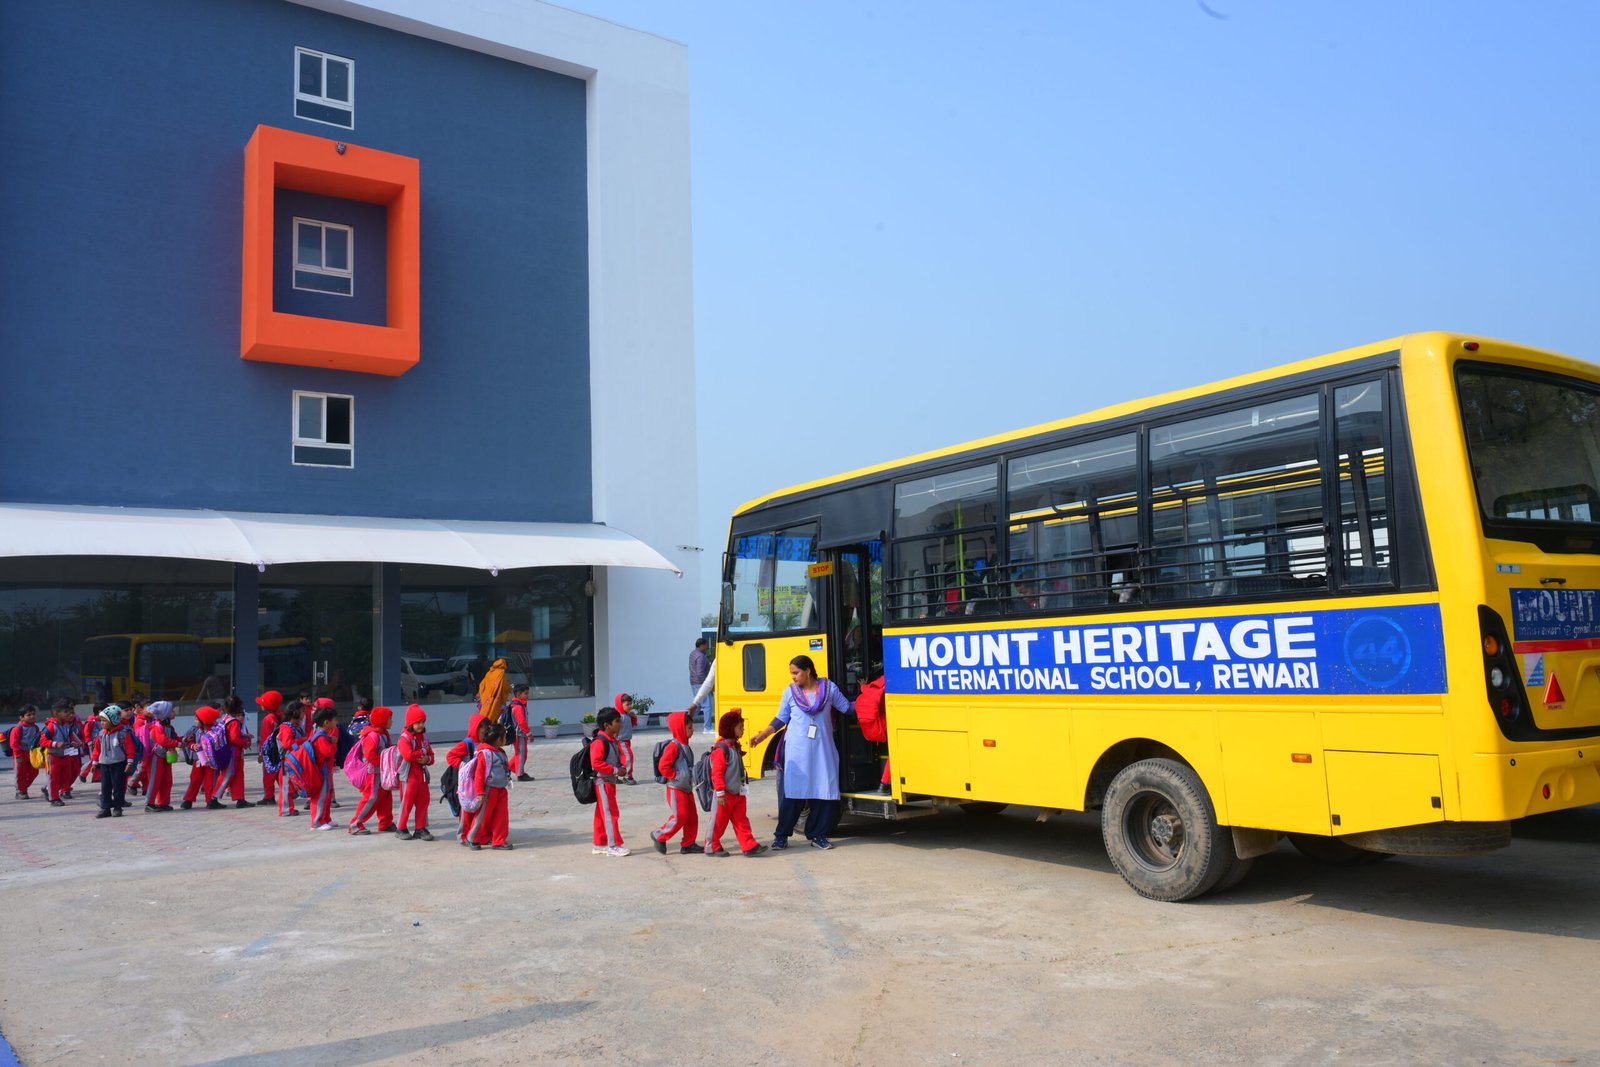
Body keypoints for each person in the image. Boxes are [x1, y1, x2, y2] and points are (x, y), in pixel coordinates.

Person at [749, 654, 854, 850]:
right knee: (793, 793)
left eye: (796, 673)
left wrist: (872, 699)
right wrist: (762, 735)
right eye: (792, 674)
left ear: (808, 671)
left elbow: (846, 708)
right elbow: (780, 718)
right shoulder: (790, 692)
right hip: (798, 750)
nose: (793, 677)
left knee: (824, 791)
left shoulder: (829, 688)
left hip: (823, 749)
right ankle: (781, 836)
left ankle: (818, 835)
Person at [707, 711, 765, 858]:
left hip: (738, 793)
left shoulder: (734, 747)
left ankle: (749, 845)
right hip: (724, 795)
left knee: (741, 820)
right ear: (730, 728)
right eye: (740, 726)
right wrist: (719, 792)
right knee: (719, 822)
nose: (743, 729)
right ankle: (712, 845)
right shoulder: (721, 749)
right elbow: (717, 773)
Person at [649, 710, 701, 855]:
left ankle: (688, 843)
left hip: (685, 787)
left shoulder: (685, 745)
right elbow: (663, 766)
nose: (693, 730)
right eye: (689, 727)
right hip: (676, 788)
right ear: (680, 728)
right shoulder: (674, 746)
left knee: (692, 817)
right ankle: (660, 835)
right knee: (681, 816)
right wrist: (676, 776)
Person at [347, 705, 395, 836]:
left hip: (382, 772)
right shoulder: (373, 735)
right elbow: (370, 755)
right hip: (373, 773)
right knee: (371, 797)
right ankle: (355, 824)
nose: (392, 721)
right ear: (382, 720)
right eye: (390, 718)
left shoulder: (383, 733)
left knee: (385, 797)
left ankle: (386, 823)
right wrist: (386, 762)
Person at [467, 721, 512, 851]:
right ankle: (472, 837)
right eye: (504, 736)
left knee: (502, 816)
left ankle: (499, 840)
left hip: (501, 789)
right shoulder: (485, 753)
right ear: (499, 739)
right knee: (483, 816)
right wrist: (480, 792)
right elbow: (479, 774)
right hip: (489, 790)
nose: (505, 739)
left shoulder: (500, 752)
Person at [590, 708, 628, 856]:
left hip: (608, 782)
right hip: (603, 782)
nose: (620, 724)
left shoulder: (611, 740)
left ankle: (599, 843)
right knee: (610, 813)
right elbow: (596, 763)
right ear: (607, 725)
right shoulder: (600, 742)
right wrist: (615, 770)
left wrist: (620, 767)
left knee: (601, 813)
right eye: (617, 722)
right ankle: (613, 845)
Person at [89, 704, 136, 818]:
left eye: (104, 721)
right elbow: (97, 750)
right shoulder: (101, 734)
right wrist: (94, 763)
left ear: (114, 720)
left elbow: (130, 749)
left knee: (118, 787)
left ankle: (118, 807)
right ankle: (105, 808)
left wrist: (130, 763)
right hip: (104, 764)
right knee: (105, 787)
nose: (102, 723)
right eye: (101, 721)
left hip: (118, 764)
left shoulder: (123, 733)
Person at [396, 704, 434, 841]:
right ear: (410, 723)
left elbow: (432, 756)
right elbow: (408, 756)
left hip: (421, 774)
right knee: (407, 801)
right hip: (408, 775)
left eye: (423, 722)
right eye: (418, 722)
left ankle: (420, 828)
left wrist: (427, 759)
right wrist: (423, 753)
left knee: (424, 800)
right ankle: (401, 827)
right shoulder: (404, 738)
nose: (421, 725)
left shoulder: (423, 738)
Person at [306, 706, 341, 830]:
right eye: (334, 720)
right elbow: (328, 752)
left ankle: (326, 818)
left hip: (325, 771)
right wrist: (333, 743)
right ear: (326, 722)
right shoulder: (321, 737)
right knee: (320, 797)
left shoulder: (323, 735)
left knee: (326, 795)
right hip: (321, 771)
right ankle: (316, 822)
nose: (336, 722)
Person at [143, 702, 180, 812]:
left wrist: (183, 740)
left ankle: (163, 802)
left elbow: (174, 737)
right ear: (165, 713)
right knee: (155, 780)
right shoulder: (157, 726)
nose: (174, 712)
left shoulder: (168, 725)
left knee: (167, 780)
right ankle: (149, 803)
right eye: (172, 710)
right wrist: (177, 744)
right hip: (156, 756)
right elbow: (163, 740)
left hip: (165, 756)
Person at [41, 701, 80, 806]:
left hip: (65, 755)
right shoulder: (51, 726)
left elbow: (68, 738)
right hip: (53, 756)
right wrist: (55, 744)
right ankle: (54, 798)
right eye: (66, 712)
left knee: (65, 777)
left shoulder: (67, 725)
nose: (69, 714)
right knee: (54, 778)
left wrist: (73, 743)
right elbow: (42, 741)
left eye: (70, 711)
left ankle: (51, 791)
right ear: (56, 713)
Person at [221, 695, 256, 808]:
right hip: (234, 753)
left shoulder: (226, 718)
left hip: (230, 752)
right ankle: (213, 798)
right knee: (228, 776)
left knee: (237, 776)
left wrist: (244, 735)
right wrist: (245, 743)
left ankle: (240, 798)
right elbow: (234, 738)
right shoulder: (235, 722)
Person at [256, 690, 285, 808]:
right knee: (279, 773)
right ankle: (288, 792)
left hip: (270, 752)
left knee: (268, 774)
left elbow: (264, 738)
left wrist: (261, 754)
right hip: (280, 750)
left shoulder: (268, 719)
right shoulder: (281, 716)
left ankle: (269, 796)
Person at [9, 704, 42, 800]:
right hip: (20, 754)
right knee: (21, 774)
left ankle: (22, 788)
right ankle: (21, 791)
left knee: (34, 772)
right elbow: (14, 744)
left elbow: (38, 740)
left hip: (32, 754)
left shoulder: (35, 728)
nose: (32, 716)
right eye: (28, 715)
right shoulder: (17, 729)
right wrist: (18, 756)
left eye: (33, 714)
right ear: (21, 717)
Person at [507, 684, 533, 782]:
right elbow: (521, 722)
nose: (527, 696)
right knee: (521, 754)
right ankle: (520, 774)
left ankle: (508, 769)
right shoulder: (518, 707)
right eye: (526, 693)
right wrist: (529, 734)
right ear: (518, 694)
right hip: (519, 735)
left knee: (520, 754)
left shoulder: (519, 705)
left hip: (519, 734)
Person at [476, 657, 510, 728]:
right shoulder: (501, 674)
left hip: (485, 700)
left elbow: (482, 685)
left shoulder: (489, 672)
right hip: (495, 700)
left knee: (484, 718)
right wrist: (509, 687)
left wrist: (483, 695)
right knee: (492, 719)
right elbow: (504, 688)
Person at [689, 638, 713, 734]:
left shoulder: (692, 654)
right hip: (701, 683)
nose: (707, 647)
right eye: (706, 645)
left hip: (693, 683)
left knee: (697, 706)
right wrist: (707, 685)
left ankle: (685, 722)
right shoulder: (701, 657)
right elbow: (700, 673)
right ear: (702, 645)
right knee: (707, 706)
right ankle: (707, 728)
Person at [614, 693, 638, 783]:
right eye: (627, 704)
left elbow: (632, 724)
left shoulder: (627, 715)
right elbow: (614, 728)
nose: (630, 706)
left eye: (630, 704)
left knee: (619, 758)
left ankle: (616, 775)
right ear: (620, 704)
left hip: (627, 740)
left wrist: (633, 717)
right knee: (628, 757)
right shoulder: (618, 716)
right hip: (621, 741)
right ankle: (628, 776)